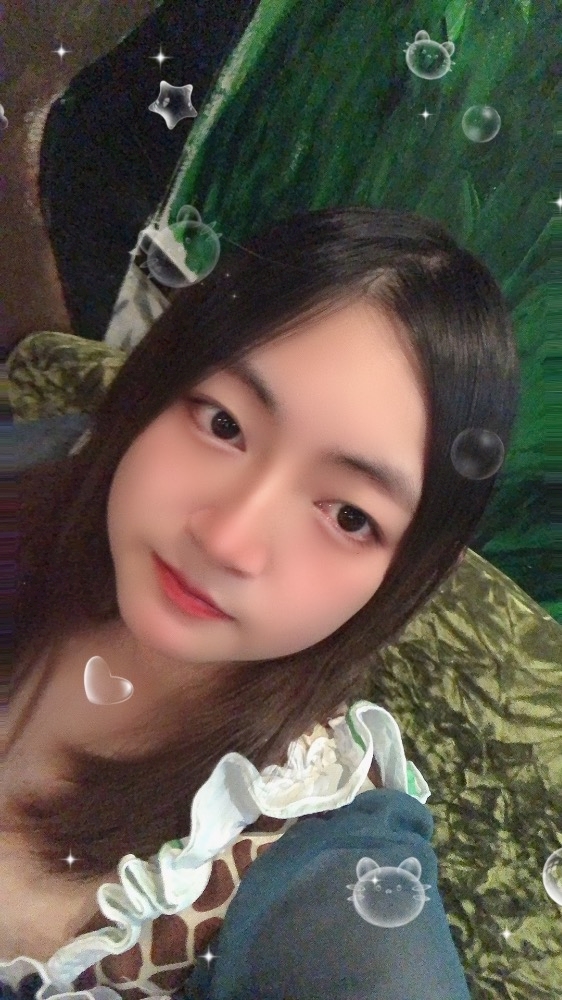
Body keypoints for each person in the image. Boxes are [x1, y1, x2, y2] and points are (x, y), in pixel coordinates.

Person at [3, 206, 520, 999]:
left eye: (348, 516)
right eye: (224, 424)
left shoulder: (311, 860)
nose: (228, 540)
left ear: (404, 576)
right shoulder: (42, 475)